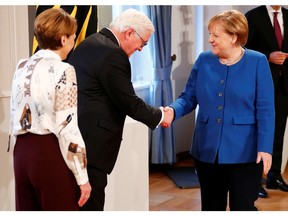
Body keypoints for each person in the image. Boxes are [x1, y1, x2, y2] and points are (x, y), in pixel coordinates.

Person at [163, 10, 275, 211]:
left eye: (216, 35)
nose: (210, 40)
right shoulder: (204, 60)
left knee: (243, 207)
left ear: (234, 37)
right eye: (210, 33)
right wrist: (172, 111)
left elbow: (266, 109)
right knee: (211, 207)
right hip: (207, 150)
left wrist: (265, 148)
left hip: (245, 152)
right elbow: (188, 97)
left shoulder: (257, 61)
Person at [68, 8, 173, 211]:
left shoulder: (91, 42)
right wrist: (161, 116)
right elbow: (128, 101)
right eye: (142, 43)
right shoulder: (113, 54)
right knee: (92, 204)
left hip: (78, 137)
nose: (141, 49)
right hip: (94, 144)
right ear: (129, 33)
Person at [9, 8, 91, 211]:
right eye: (73, 37)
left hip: (21, 155)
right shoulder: (65, 70)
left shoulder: (22, 65)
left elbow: (14, 112)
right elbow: (68, 128)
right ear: (63, 39)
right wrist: (83, 178)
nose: (73, 42)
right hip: (48, 155)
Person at [245, 5, 288, 198]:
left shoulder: (287, 15)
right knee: (260, 131)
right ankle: (255, 181)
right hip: (261, 83)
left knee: (279, 130)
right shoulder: (253, 16)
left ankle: (274, 175)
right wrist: (268, 56)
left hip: (284, 84)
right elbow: (243, 47)